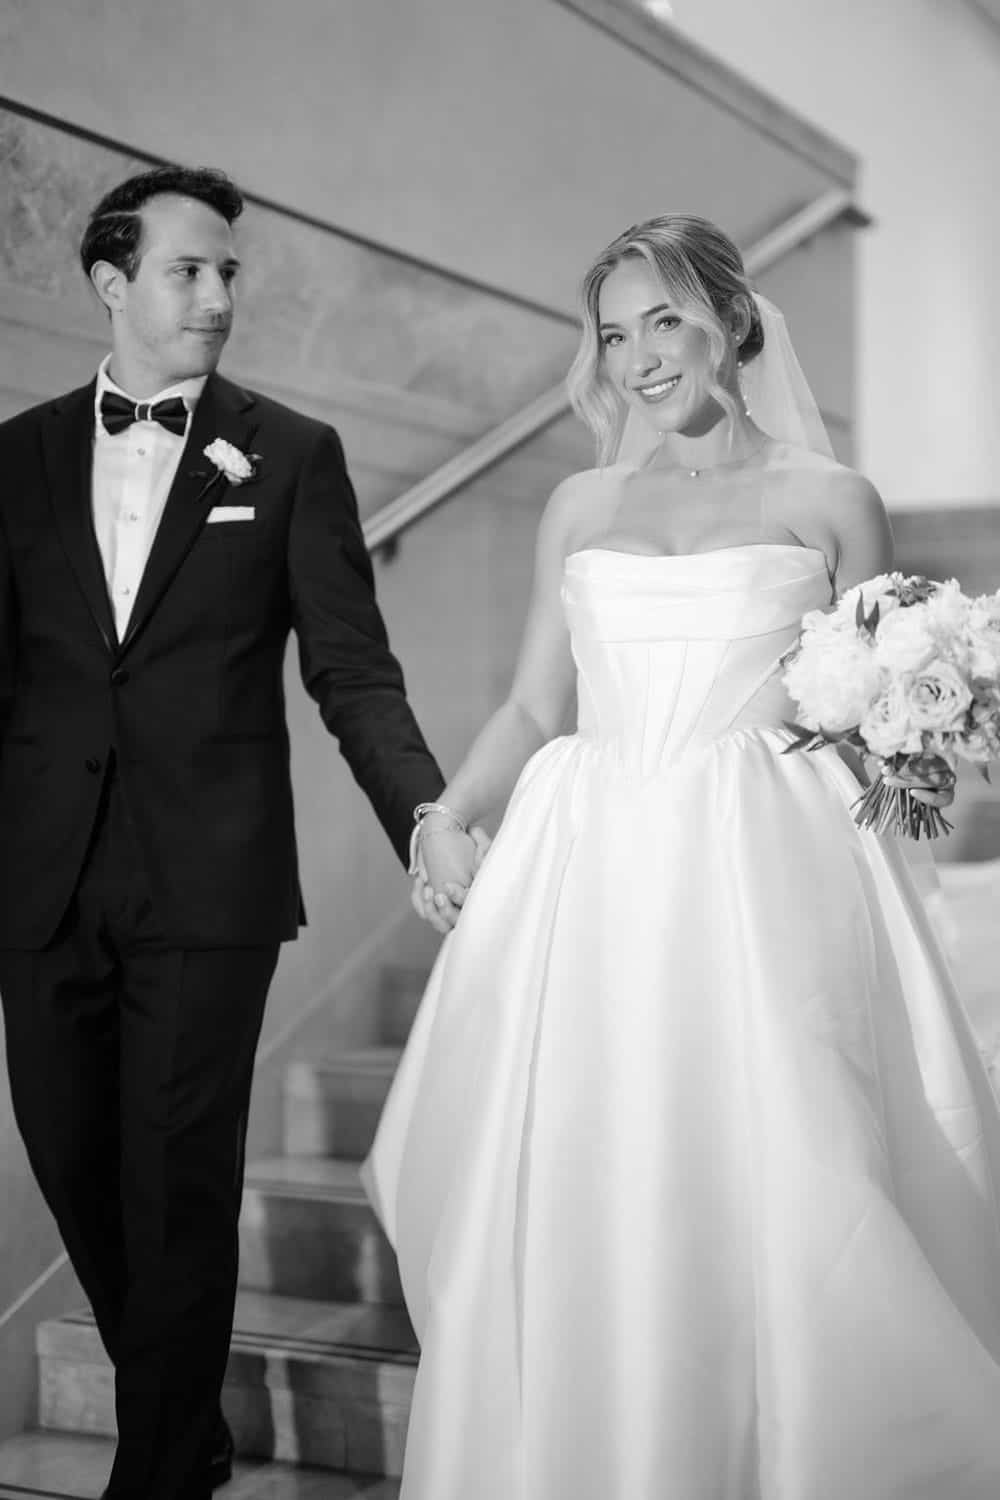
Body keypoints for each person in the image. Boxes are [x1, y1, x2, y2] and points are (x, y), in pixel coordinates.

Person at [363, 214, 1000, 1499]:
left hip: (761, 871)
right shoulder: (579, 504)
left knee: (784, 1164)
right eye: (615, 335)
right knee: (592, 1163)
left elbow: (872, 711)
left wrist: (918, 731)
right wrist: (445, 813)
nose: (641, 357)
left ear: (733, 320)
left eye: (666, 321)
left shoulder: (833, 500)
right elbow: (533, 705)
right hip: (591, 868)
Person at [0, 164, 475, 1500]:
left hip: (209, 880)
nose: (216, 296)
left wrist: (425, 811)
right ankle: (187, 1421)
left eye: (227, 273)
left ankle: (159, 1472)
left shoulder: (292, 453)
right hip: (39, 877)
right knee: (73, 1161)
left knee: (180, 1182)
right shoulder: (17, 456)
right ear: (112, 283)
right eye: (187, 271)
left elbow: (353, 671)